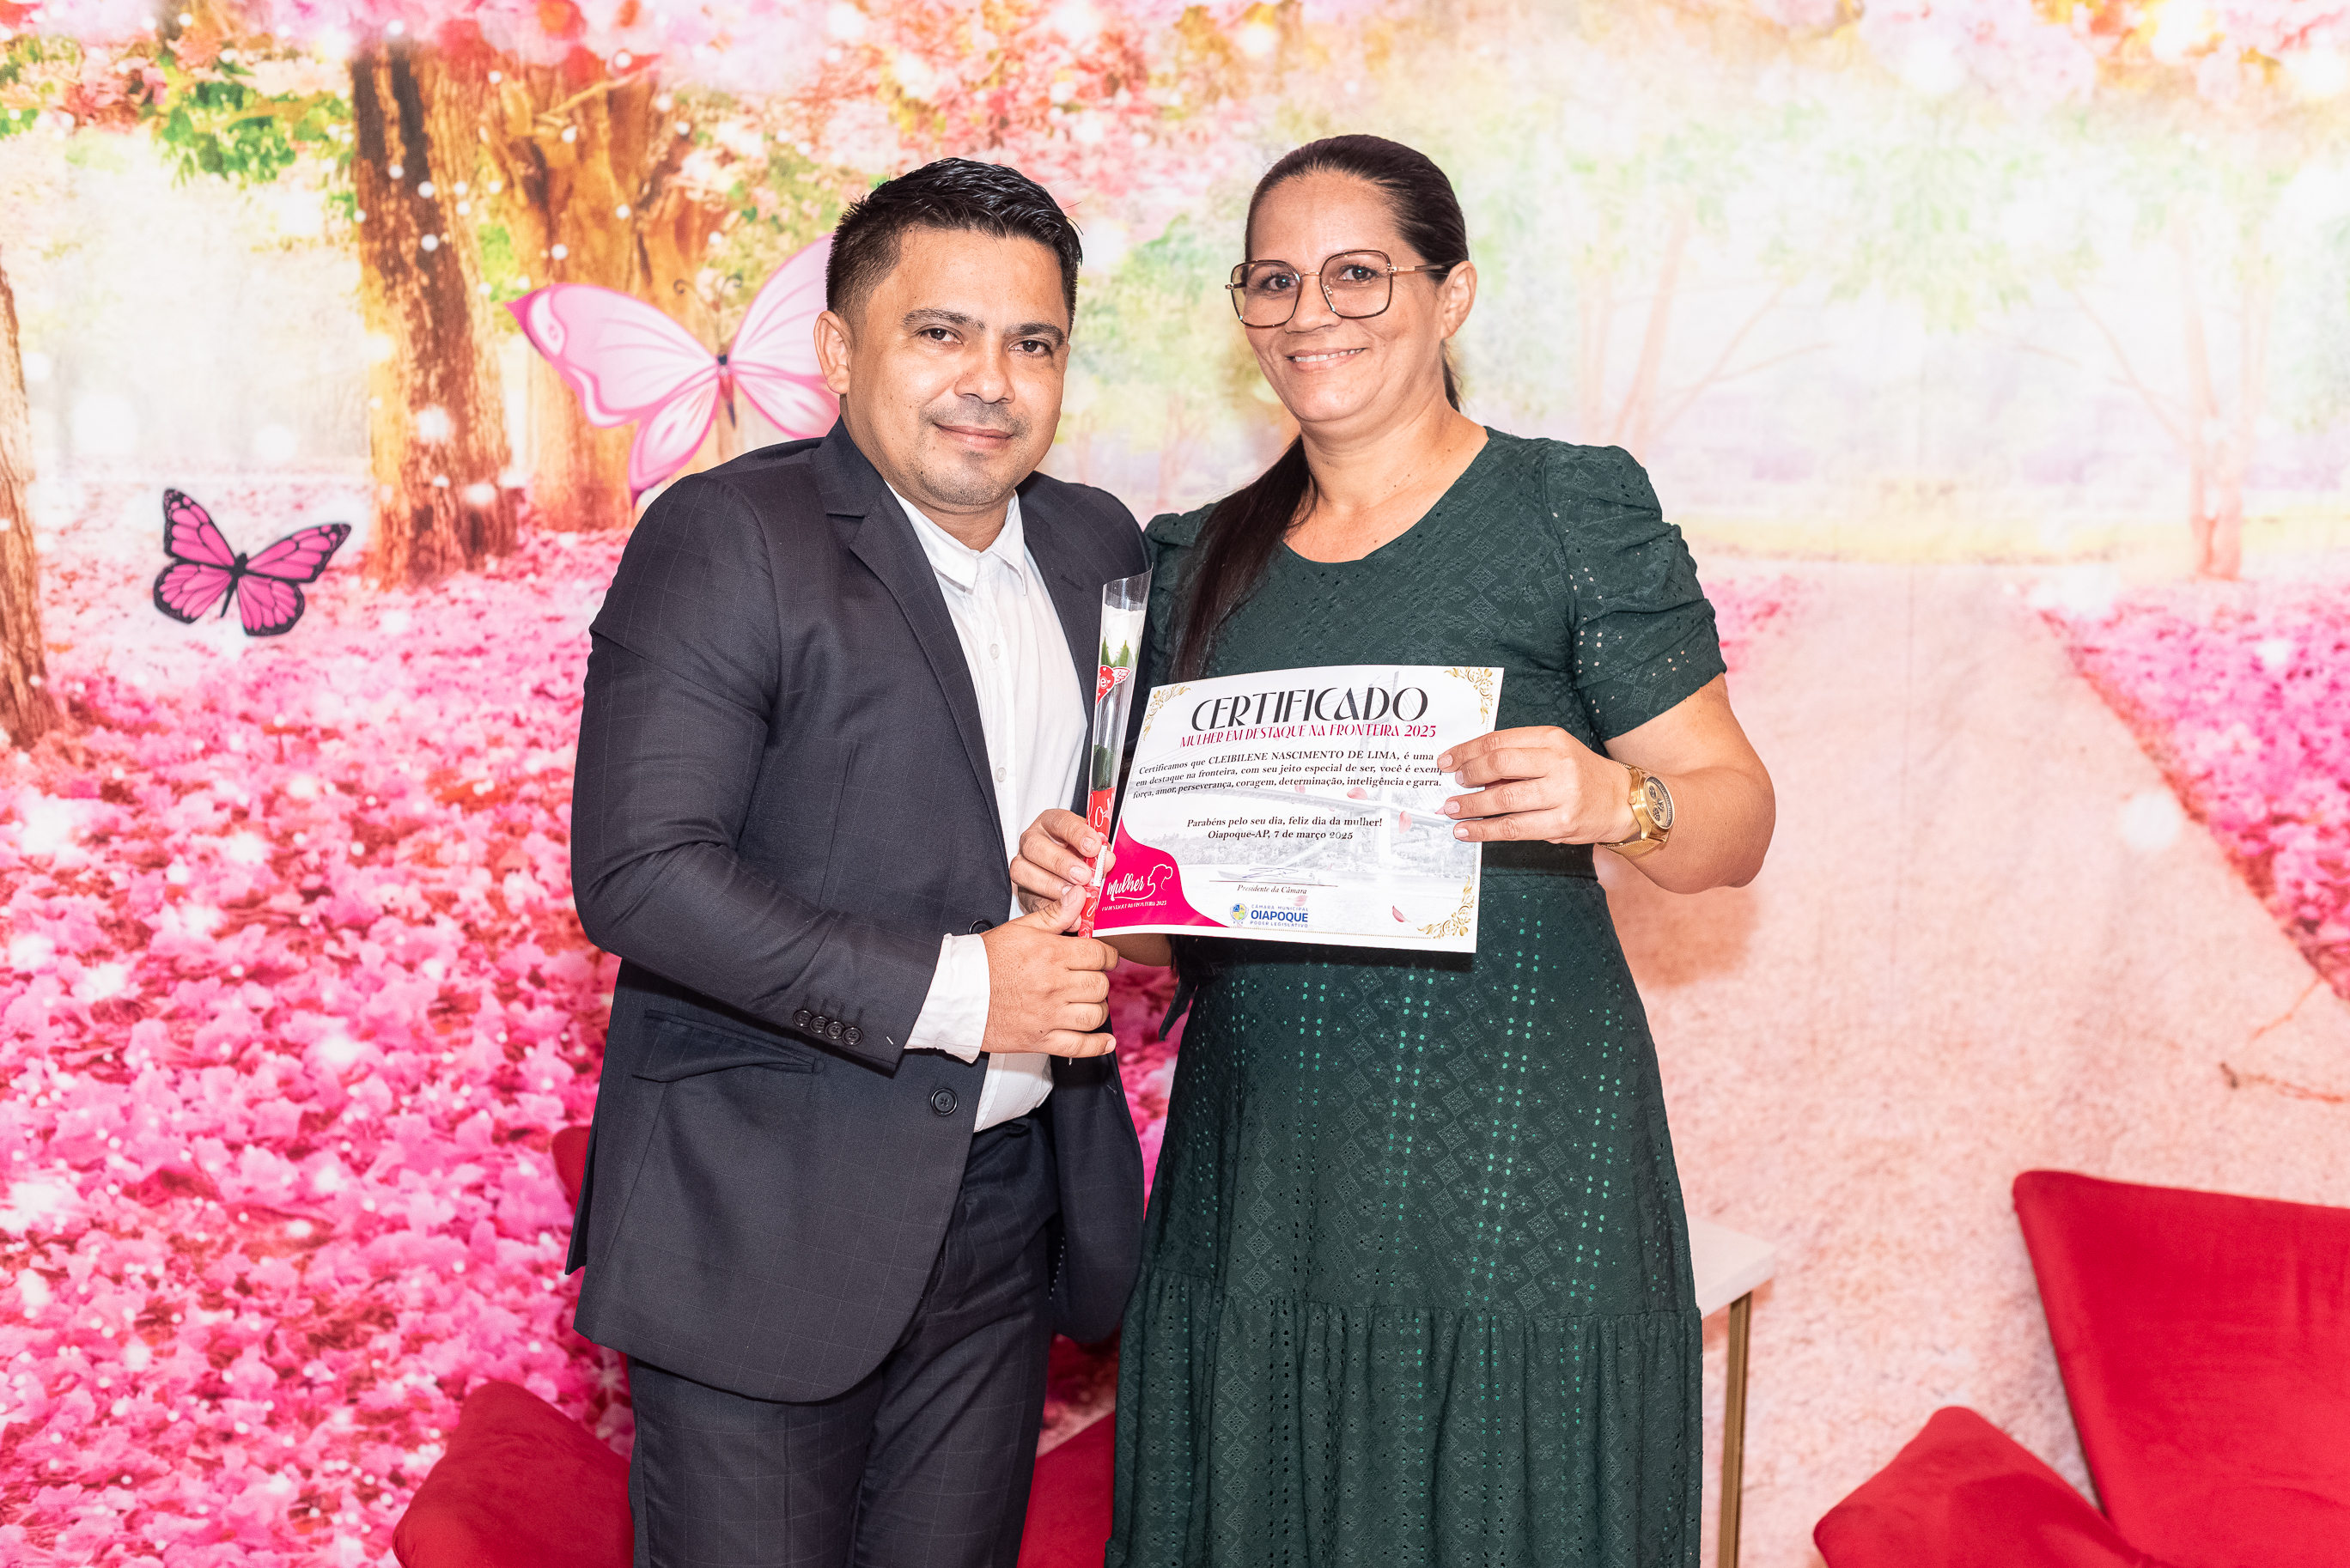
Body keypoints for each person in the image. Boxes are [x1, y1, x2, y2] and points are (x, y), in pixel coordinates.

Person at [1012, 135, 1775, 1565]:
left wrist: (1621, 800)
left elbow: (1734, 816)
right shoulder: (1189, 561)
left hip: (1515, 1169)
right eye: (1275, 281)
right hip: (1264, 1183)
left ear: (1451, 294)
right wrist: (1094, 889)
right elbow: (1172, 930)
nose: (1313, 313)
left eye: (1358, 274)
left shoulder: (1568, 509)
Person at [565, 157, 1148, 1568]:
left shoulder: (1100, 547)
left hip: (1009, 1212)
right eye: (941, 332)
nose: (990, 382)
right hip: (763, 1222)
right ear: (839, 350)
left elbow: (1114, 827)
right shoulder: (730, 537)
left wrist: (1114, 879)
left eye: (1033, 342)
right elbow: (641, 871)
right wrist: (969, 990)